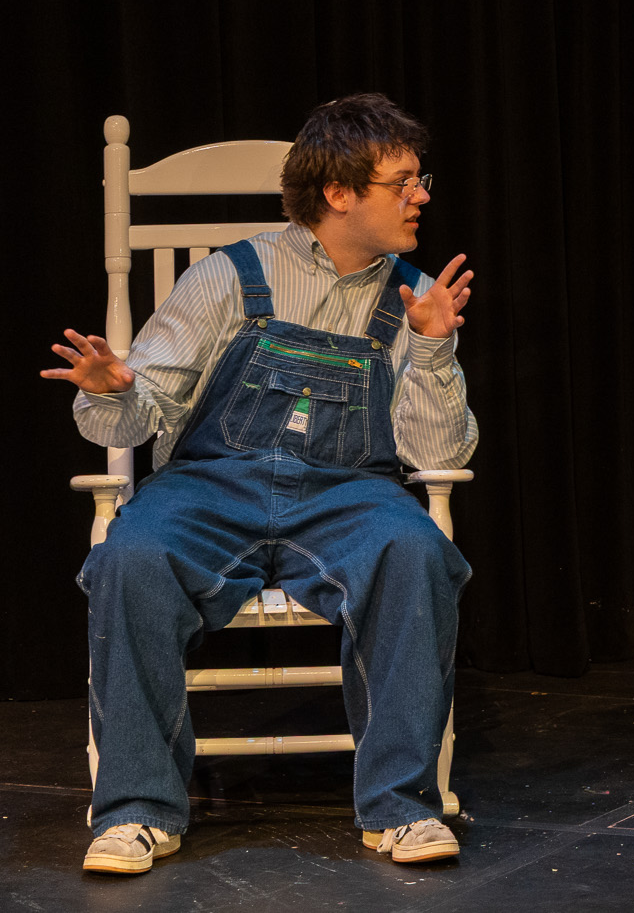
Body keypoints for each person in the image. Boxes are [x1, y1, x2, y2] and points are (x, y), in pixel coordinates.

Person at [41, 94, 477, 875]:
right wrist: (111, 389)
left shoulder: (414, 298)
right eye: (403, 181)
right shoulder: (226, 278)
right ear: (340, 192)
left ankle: (402, 805)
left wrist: (433, 351)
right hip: (212, 486)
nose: (422, 195)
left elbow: (431, 452)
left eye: (420, 179)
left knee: (415, 552)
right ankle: (137, 807)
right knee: (130, 557)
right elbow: (131, 422)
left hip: (349, 492)